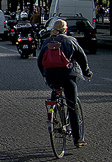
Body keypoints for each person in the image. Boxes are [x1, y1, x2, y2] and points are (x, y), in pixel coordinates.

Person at [37, 18, 92, 147]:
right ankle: (78, 139)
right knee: (72, 106)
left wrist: (45, 75)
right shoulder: (70, 41)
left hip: (51, 76)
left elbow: (40, 61)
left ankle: (52, 111)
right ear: (65, 29)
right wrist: (87, 72)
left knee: (55, 90)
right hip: (67, 76)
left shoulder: (47, 42)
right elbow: (82, 58)